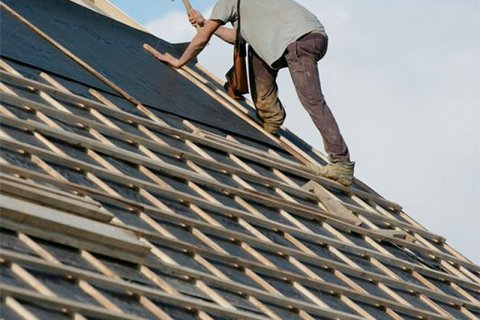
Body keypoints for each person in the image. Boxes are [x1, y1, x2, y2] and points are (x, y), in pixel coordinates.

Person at [155, 0, 354, 186]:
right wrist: (206, 22)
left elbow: (202, 37)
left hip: (298, 42)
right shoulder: (250, 8)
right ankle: (271, 115)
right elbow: (239, 37)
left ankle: (341, 162)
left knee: (312, 101)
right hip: (312, 36)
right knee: (256, 50)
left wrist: (180, 61)